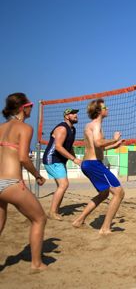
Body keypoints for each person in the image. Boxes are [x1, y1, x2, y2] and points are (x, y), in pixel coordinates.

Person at [0, 93, 47, 271]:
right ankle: (36, 264)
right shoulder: (25, 128)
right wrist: (37, 175)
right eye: (30, 105)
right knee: (39, 219)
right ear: (23, 108)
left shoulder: (1, 127)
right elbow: (23, 159)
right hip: (12, 183)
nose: (32, 109)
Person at [72, 99, 124, 234]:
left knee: (104, 193)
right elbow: (98, 143)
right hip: (93, 164)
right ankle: (105, 228)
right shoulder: (96, 125)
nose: (107, 109)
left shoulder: (91, 125)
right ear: (99, 111)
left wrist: (114, 146)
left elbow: (97, 148)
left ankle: (79, 220)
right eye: (105, 107)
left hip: (90, 163)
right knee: (119, 193)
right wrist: (114, 139)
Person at [42, 108, 82, 220]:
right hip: (52, 158)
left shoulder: (72, 129)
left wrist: (75, 159)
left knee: (61, 186)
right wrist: (74, 159)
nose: (75, 115)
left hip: (60, 160)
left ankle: (55, 210)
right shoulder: (62, 128)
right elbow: (58, 147)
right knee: (64, 184)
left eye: (76, 113)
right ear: (66, 116)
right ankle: (52, 212)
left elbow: (69, 147)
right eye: (72, 113)